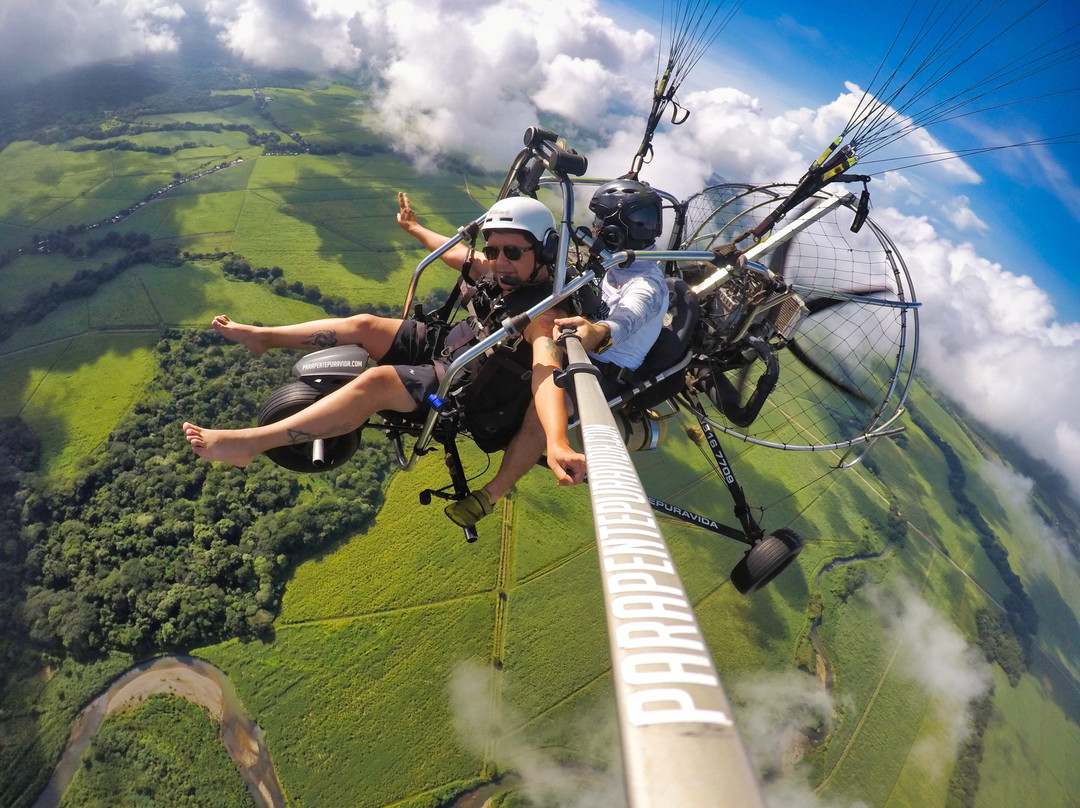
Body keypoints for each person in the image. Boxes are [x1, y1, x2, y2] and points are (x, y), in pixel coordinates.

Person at [182, 194, 587, 528]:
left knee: (375, 383)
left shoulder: (545, 314)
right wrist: (413, 227)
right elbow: (459, 256)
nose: (499, 260)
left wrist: (555, 441)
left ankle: (250, 445)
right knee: (365, 325)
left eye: (512, 251)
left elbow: (546, 372)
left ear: (545, 250)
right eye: (494, 248)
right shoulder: (505, 271)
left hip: (463, 385)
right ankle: (262, 338)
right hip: (448, 345)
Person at [552, 179, 670, 393]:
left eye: (599, 220)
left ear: (615, 233)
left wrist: (597, 332)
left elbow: (626, 321)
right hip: (581, 352)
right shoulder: (617, 261)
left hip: (605, 372)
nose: (595, 227)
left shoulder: (647, 286)